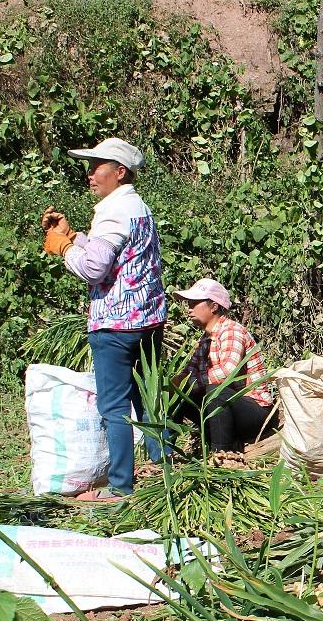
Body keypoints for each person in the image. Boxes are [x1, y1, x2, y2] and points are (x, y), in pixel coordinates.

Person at [41, 137, 167, 500]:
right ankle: (167, 470)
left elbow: (95, 267)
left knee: (114, 407)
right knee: (148, 399)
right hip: (146, 319)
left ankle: (121, 487)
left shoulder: (112, 211)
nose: (90, 175)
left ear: (120, 171)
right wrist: (74, 235)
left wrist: (63, 248)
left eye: (97, 167)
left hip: (115, 325)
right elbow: (115, 251)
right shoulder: (136, 206)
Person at [172, 278, 276, 452]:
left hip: (255, 411)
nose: (189, 308)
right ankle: (167, 453)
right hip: (226, 410)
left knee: (215, 391)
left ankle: (221, 455)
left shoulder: (231, 331)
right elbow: (188, 374)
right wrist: (178, 384)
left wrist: (188, 383)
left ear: (213, 306)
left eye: (194, 303)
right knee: (176, 393)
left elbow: (227, 372)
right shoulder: (205, 339)